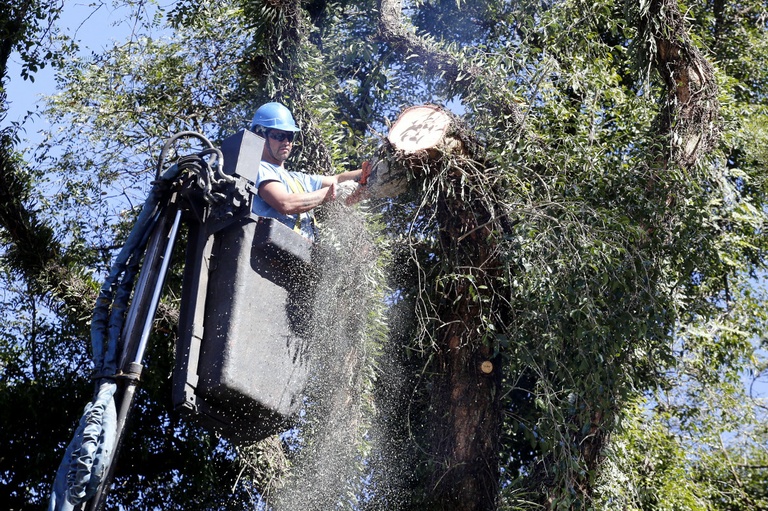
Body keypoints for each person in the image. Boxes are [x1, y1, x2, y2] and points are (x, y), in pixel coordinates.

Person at [249, 102, 369, 241]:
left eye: (290, 136)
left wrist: (370, 170)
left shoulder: (297, 179)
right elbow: (284, 203)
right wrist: (327, 194)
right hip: (269, 254)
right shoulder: (260, 168)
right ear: (260, 135)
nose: (286, 142)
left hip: (299, 253)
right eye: (279, 135)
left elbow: (337, 180)